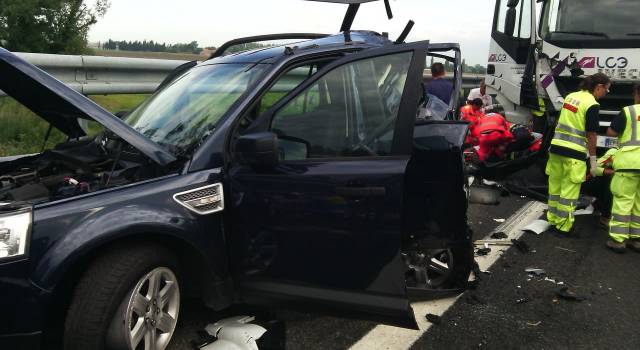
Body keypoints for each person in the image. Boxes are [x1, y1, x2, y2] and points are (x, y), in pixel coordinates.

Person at [546, 73, 610, 235]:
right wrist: (594, 162)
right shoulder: (592, 104)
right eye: (606, 90)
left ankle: (553, 219)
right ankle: (564, 226)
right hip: (573, 154)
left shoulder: (570, 97)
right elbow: (591, 135)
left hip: (556, 148)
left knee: (555, 187)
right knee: (569, 191)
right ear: (599, 87)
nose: (605, 94)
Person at [604, 84, 640, 252]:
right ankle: (636, 239)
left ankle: (618, 241)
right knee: (639, 204)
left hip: (629, 164)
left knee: (623, 201)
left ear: (636, 94)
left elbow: (612, 132)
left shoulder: (629, 111)